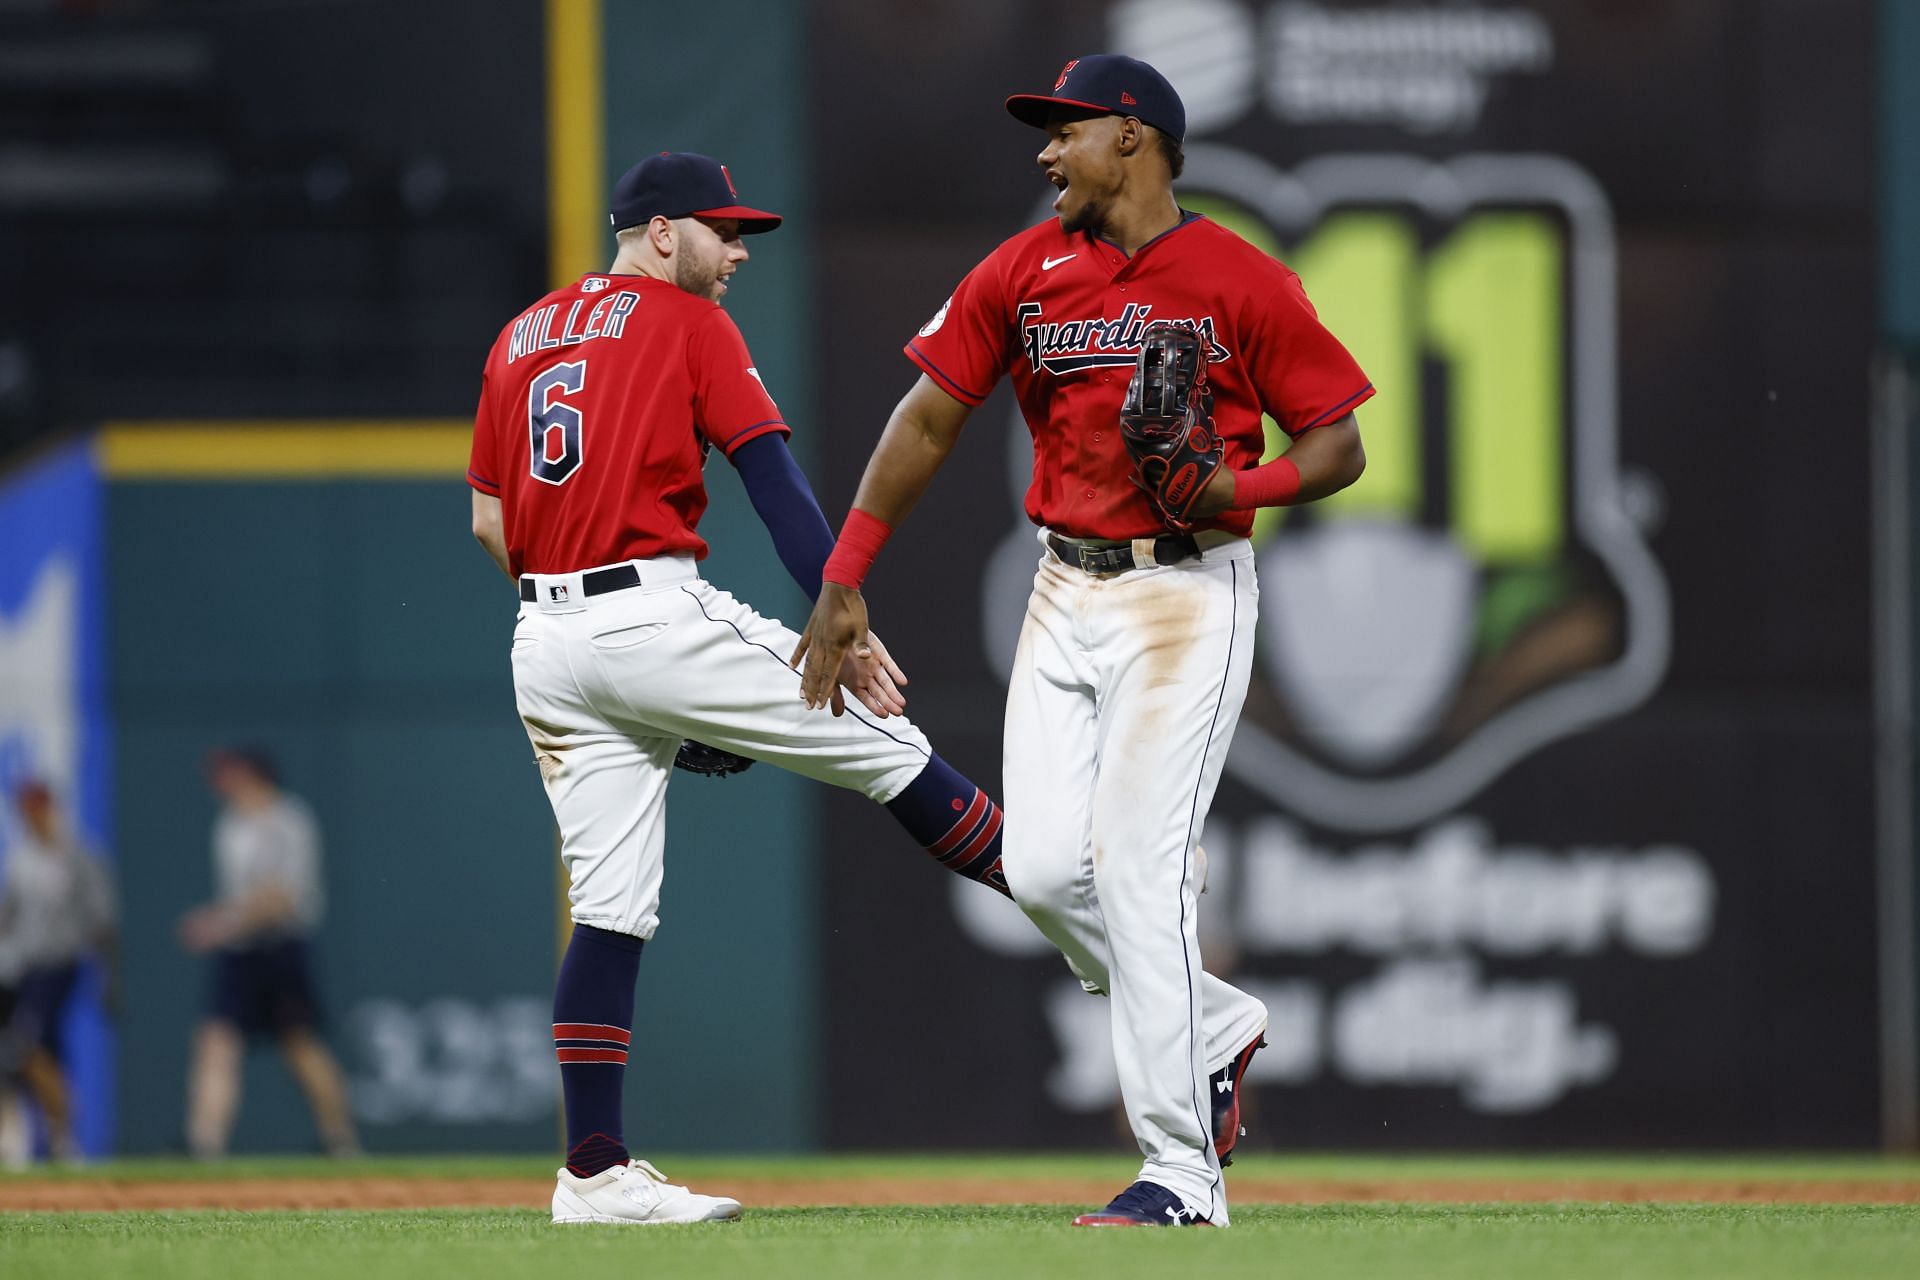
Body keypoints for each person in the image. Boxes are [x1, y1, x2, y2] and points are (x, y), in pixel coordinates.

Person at [793, 55, 1371, 1228]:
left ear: (1132, 137)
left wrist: (1233, 484)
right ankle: (1209, 1021)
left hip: (1187, 593)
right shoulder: (1024, 270)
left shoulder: (1239, 277)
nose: (1045, 152)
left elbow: (1338, 443)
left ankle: (1180, 1172)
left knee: (1146, 866)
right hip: (1065, 590)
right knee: (1047, 868)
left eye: (1064, 131)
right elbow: (926, 416)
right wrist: (843, 572)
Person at [467, 151, 1016, 1226]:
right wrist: (839, 610)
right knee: (887, 743)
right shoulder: (686, 323)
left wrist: (599, 651)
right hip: (648, 610)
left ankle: (592, 1172)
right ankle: (1091, 919)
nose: (738, 255)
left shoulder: (518, 336)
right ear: (662, 232)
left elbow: (490, 523)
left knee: (611, 906)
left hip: (544, 633)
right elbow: (771, 478)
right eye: (724, 233)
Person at [179, 748, 359, 1159]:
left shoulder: (287, 821)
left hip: (281, 947)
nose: (221, 783)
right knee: (216, 1041)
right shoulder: (229, 825)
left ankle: (340, 1140)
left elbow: (280, 897)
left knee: (302, 1047)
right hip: (240, 952)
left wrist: (217, 923)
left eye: (230, 774)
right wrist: (226, 924)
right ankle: (204, 1145)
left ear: (254, 775)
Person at [0, 779, 117, 1162]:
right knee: (40, 1051)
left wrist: (110, 977)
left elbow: (102, 923)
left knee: (25, 1046)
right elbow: (9, 916)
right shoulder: (22, 858)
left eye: (38, 807)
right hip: (21, 969)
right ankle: (54, 1139)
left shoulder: (78, 857)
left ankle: (59, 1137)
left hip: (60, 965)